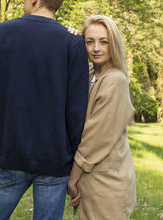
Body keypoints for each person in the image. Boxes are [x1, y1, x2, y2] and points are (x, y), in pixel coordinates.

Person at [0, 0, 89, 220]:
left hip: (9, 155)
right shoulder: (73, 44)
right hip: (54, 160)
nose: (24, 0)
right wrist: (68, 157)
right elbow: (76, 112)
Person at [67, 15, 137, 219]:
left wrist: (72, 180)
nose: (96, 48)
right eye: (89, 42)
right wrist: (69, 39)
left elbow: (95, 138)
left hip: (107, 181)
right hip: (91, 177)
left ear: (113, 43)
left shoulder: (114, 79)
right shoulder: (91, 73)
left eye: (103, 41)